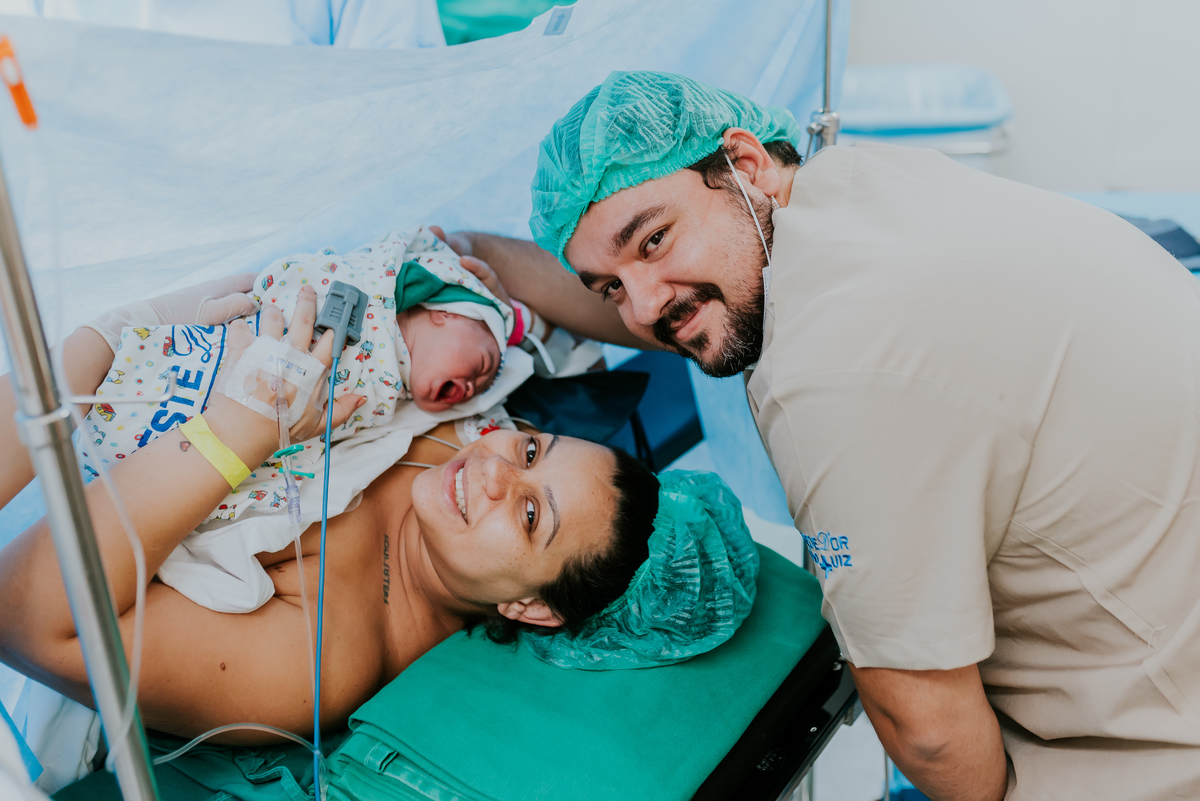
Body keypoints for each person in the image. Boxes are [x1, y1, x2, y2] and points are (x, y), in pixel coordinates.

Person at [439, 71, 1200, 801]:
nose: (640, 307)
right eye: (608, 286)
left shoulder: (832, 372)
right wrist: (464, 257)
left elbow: (926, 730)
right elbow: (676, 299)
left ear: (744, 162)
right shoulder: (866, 186)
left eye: (654, 241)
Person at [0, 275, 759, 753]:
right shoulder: (466, 403)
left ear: (530, 607)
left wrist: (238, 430)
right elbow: (448, 256)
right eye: (533, 450)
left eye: (530, 516)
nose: (495, 467)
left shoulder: (324, 658)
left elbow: (29, 618)